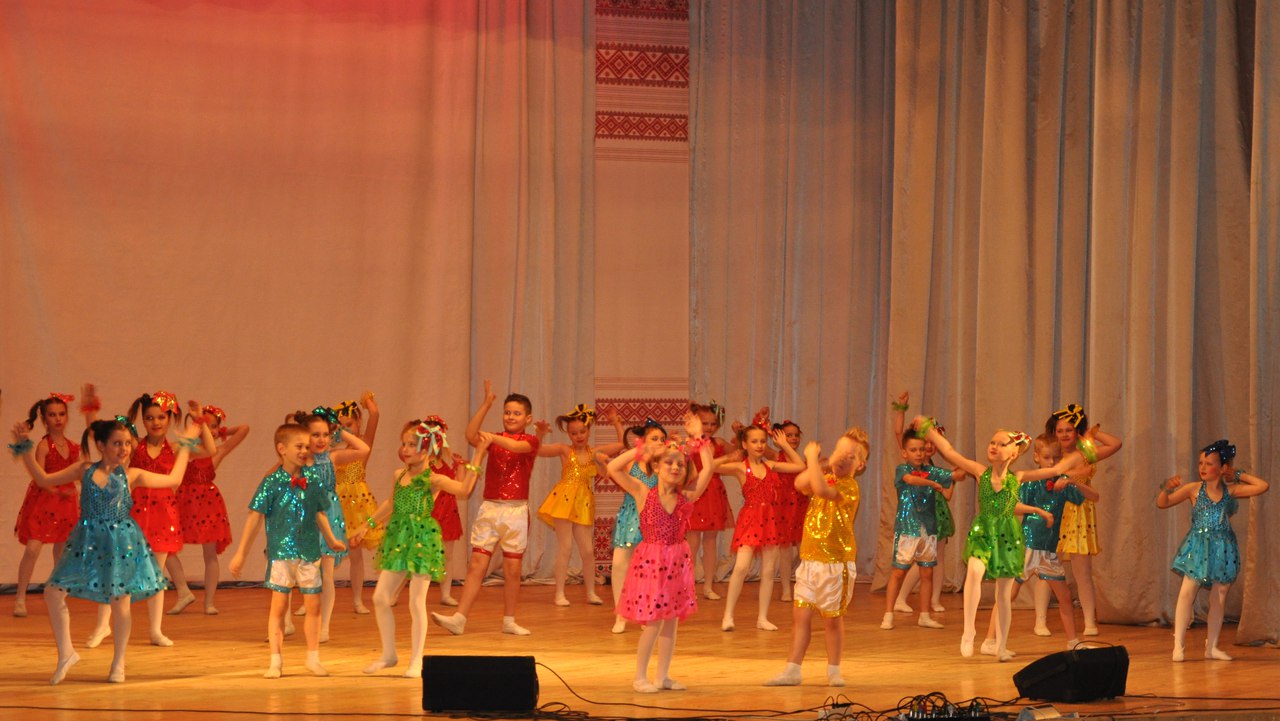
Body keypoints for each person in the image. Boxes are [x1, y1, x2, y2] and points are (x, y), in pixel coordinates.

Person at [10, 417, 201, 684]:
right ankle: (66, 653)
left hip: (120, 543)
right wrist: (24, 447)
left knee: (120, 602)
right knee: (53, 592)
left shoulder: (131, 475)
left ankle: (118, 663)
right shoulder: (84, 469)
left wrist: (187, 444)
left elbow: (174, 479)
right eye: (117, 443)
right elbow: (43, 479)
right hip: (87, 541)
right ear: (101, 445)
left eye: (127, 444)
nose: (124, 449)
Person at [914, 416, 1110, 659]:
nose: (994, 446)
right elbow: (950, 452)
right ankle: (975, 634)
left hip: (1025, 542)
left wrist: (1083, 457)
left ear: (1014, 453)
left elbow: (1063, 474)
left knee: (1031, 596)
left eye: (1001, 443)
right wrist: (928, 430)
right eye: (992, 442)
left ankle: (1024, 644)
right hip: (1000, 536)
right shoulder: (988, 474)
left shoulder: (1027, 479)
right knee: (983, 578)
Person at [351, 421, 487, 677]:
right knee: (380, 597)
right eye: (403, 444)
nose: (405, 449)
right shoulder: (398, 475)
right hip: (398, 539)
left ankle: (416, 660)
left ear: (427, 450)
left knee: (416, 602)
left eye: (411, 445)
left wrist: (478, 454)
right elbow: (391, 503)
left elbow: (464, 489)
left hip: (422, 540)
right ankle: (389, 655)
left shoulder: (433, 478)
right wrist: (365, 525)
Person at [606, 413, 716, 693]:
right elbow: (613, 468)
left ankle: (663, 676)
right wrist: (641, 449)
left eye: (680, 463)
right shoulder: (643, 492)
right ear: (655, 466)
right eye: (668, 462)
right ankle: (640, 677)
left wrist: (699, 437)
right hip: (651, 562)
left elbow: (709, 469)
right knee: (653, 623)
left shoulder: (686, 497)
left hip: (676, 563)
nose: (675, 467)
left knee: (671, 622)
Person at [228, 423, 347, 678]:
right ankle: (275, 660)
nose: (305, 451)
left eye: (306, 447)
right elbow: (254, 517)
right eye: (299, 446)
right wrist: (241, 553)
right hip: (281, 554)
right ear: (282, 449)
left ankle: (312, 658)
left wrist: (331, 539)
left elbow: (319, 512)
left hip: (309, 552)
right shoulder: (271, 482)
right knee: (279, 608)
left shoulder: (313, 480)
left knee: (313, 606)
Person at [430, 380, 540, 636]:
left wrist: (491, 438)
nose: (510, 417)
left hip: (515, 511)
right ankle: (459, 618)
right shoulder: (494, 438)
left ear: (528, 418)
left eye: (516, 413)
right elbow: (470, 434)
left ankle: (509, 620)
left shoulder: (530, 441)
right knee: (477, 564)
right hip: (490, 508)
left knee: (513, 569)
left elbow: (515, 446)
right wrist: (486, 404)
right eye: (507, 412)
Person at [763, 429, 868, 687]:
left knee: (831, 620)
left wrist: (811, 458)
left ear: (860, 465)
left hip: (835, 564)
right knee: (800, 618)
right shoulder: (826, 475)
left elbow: (821, 490)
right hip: (810, 560)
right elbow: (800, 483)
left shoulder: (849, 487)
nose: (842, 457)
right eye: (839, 451)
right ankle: (792, 669)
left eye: (850, 456)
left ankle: (834, 670)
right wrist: (819, 465)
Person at [978, 434, 1098, 656]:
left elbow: (1095, 496)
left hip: (1048, 551)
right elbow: (1012, 506)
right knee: (1007, 594)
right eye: (1047, 457)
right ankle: (989, 640)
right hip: (1028, 546)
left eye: (1056, 458)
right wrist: (1037, 512)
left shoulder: (1063, 483)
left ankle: (1073, 642)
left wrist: (1073, 481)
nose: (1052, 462)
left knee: (1064, 597)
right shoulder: (1030, 483)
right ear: (1036, 458)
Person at [1157, 439, 1269, 662]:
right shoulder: (1193, 489)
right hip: (1198, 547)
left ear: (1222, 467)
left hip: (1223, 548)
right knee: (1187, 592)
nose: (1203, 467)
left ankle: (1212, 647)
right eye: (1201, 463)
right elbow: (1163, 502)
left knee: (1219, 595)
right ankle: (1178, 645)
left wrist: (1238, 474)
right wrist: (1166, 488)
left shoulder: (1230, 491)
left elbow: (1262, 486)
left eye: (1209, 463)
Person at [1041, 403, 1123, 636]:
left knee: (1082, 572)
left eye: (1069, 429)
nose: (1064, 435)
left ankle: (1089, 622)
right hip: (1055, 511)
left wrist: (1090, 431)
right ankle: (1040, 621)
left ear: (1076, 430)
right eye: (1060, 430)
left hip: (1078, 513)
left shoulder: (1086, 453)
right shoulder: (1053, 454)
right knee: (1046, 567)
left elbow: (1115, 444)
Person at [717, 420, 805, 632]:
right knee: (741, 567)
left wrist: (784, 445)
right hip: (750, 519)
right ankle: (728, 616)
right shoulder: (741, 467)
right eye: (754, 441)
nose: (759, 445)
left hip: (771, 520)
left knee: (768, 570)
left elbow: (800, 466)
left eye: (762, 441)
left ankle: (762, 618)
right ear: (745, 444)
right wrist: (730, 456)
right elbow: (711, 466)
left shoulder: (771, 466)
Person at [534, 404, 626, 606]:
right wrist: (540, 434)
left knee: (588, 551)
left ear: (589, 431)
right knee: (565, 547)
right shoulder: (564, 450)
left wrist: (616, 422)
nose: (579, 436)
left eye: (582, 431)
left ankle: (591, 592)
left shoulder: (595, 452)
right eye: (574, 433)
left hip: (584, 503)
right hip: (564, 501)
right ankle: (559, 593)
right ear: (568, 434)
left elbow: (621, 444)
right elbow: (538, 450)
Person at [168, 404, 249, 615]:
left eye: (214, 426)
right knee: (166, 548)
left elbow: (244, 429)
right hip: (183, 502)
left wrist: (218, 431)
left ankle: (209, 602)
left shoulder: (217, 451)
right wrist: (198, 425)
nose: (210, 429)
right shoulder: (182, 449)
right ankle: (183, 592)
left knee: (210, 554)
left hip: (208, 504)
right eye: (204, 424)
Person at [13, 392, 82, 618]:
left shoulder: (73, 447)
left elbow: (77, 474)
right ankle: (20, 597)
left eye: (61, 414)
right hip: (44, 502)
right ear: (44, 419)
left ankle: (57, 594)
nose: (58, 419)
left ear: (67, 416)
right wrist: (56, 490)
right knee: (32, 549)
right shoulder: (44, 445)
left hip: (65, 504)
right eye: (52, 415)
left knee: (61, 551)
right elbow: (40, 477)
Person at [880, 431, 955, 631]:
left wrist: (959, 469)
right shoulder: (902, 469)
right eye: (913, 450)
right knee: (898, 572)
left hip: (928, 529)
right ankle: (888, 614)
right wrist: (932, 483)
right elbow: (911, 480)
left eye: (922, 449)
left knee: (927, 572)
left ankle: (924, 615)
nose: (919, 453)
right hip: (907, 528)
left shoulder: (932, 470)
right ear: (904, 453)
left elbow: (951, 479)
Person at [608, 419, 668, 634]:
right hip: (630, 518)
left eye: (662, 439)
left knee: (649, 570)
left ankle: (646, 612)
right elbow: (612, 468)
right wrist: (639, 450)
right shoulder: (631, 463)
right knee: (620, 565)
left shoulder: (664, 466)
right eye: (654, 438)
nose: (659, 442)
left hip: (655, 521)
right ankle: (621, 614)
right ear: (643, 441)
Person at [332, 392, 381, 613]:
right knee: (323, 553)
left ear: (358, 421)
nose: (346, 430)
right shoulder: (334, 449)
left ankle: (358, 600)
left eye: (349, 424)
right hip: (336, 502)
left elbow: (375, 414)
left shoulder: (364, 443)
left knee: (355, 555)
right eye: (341, 426)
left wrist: (367, 400)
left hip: (357, 504)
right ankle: (310, 598)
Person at [685, 401, 733, 600]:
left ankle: (708, 586)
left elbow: (739, 452)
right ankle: (688, 587)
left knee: (711, 541)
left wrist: (739, 433)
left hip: (714, 493)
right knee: (692, 542)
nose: (710, 427)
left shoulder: (719, 443)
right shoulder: (688, 444)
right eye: (705, 423)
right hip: (696, 491)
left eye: (713, 423)